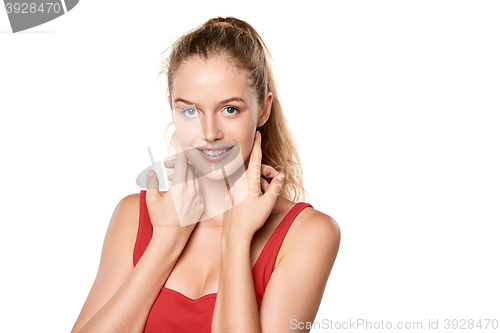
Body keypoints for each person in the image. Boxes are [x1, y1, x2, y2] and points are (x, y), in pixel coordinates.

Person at [71, 16, 341, 333]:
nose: (209, 132)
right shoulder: (134, 215)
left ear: (263, 110)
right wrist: (165, 244)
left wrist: (236, 238)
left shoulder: (309, 234)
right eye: (189, 110)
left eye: (229, 109)